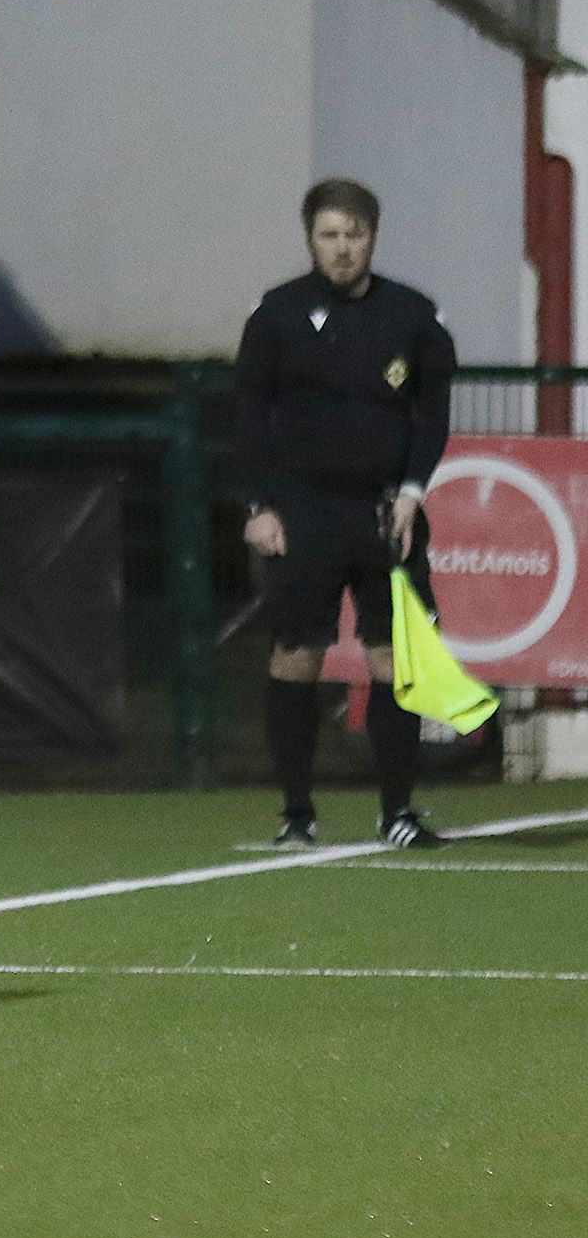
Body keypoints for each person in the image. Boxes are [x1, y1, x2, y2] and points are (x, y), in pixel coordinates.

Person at [235, 177, 456, 850]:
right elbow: (247, 413)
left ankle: (398, 812)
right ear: (310, 240)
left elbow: (433, 413)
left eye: (353, 236)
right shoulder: (276, 314)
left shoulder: (413, 317)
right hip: (302, 508)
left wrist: (415, 490)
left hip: (385, 511)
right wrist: (258, 504)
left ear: (372, 238)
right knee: (297, 655)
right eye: (329, 236)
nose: (341, 249)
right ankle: (297, 815)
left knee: (394, 659)